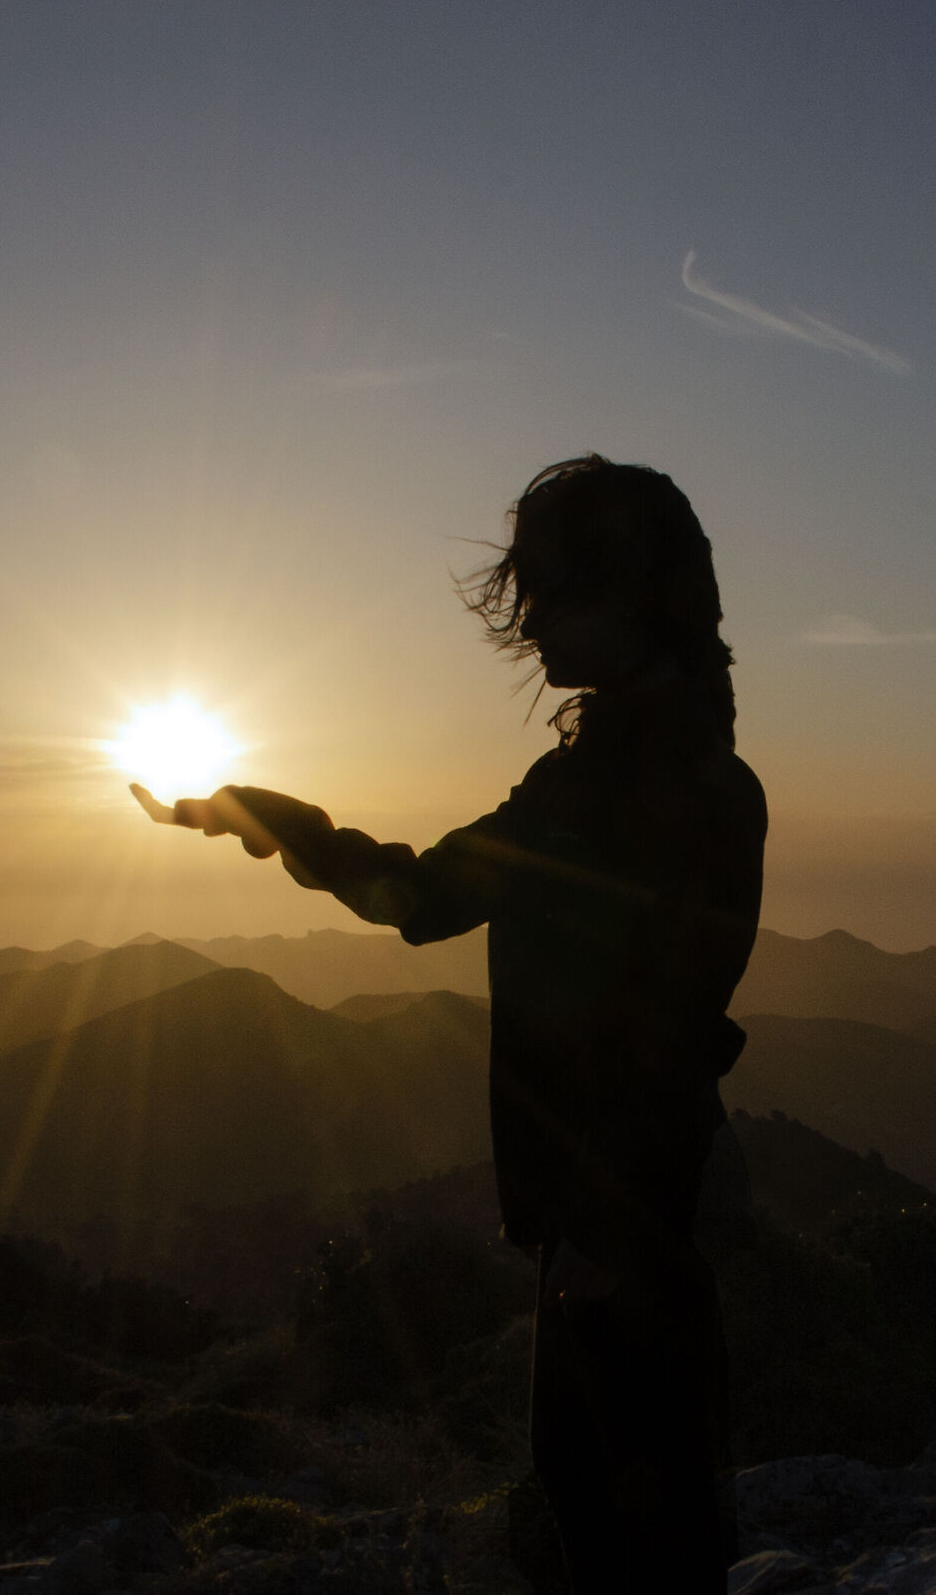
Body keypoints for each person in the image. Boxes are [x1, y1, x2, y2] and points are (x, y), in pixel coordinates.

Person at [135, 454, 765, 1592]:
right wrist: (264, 820)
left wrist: (607, 1227)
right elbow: (424, 901)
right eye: (533, 596)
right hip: (618, 1197)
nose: (535, 625)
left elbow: (661, 1028)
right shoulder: (625, 780)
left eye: (561, 593)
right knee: (614, 1494)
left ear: (647, 596)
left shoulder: (649, 792)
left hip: (627, 1203)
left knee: (630, 1509)